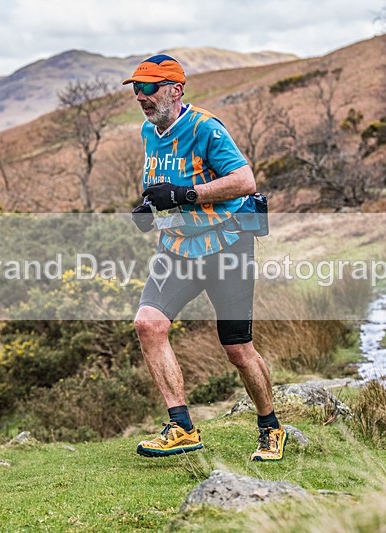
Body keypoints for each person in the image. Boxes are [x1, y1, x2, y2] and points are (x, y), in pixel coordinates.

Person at [123, 54, 286, 461]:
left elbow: (244, 181)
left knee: (238, 349)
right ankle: (181, 427)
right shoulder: (149, 131)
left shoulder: (206, 127)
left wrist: (184, 196)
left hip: (226, 248)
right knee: (148, 324)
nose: (141, 97)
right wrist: (152, 207)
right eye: (136, 89)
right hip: (177, 250)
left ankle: (271, 428)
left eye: (149, 88)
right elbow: (163, 183)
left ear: (176, 90)